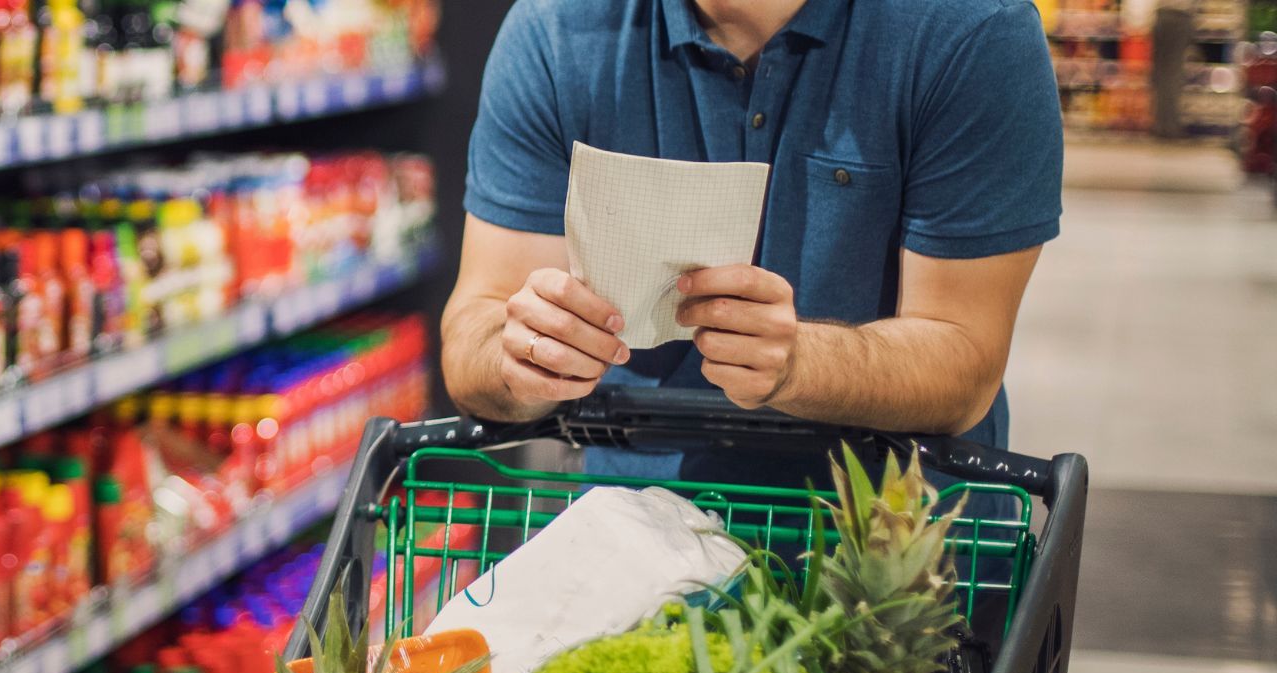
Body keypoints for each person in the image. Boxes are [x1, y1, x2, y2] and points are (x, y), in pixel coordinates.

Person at [441, 0, 1064, 485]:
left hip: (895, 570)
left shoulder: (972, 30)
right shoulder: (555, 31)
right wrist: (517, 356)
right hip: (632, 555)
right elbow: (474, 332)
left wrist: (798, 363)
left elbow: (965, 360)